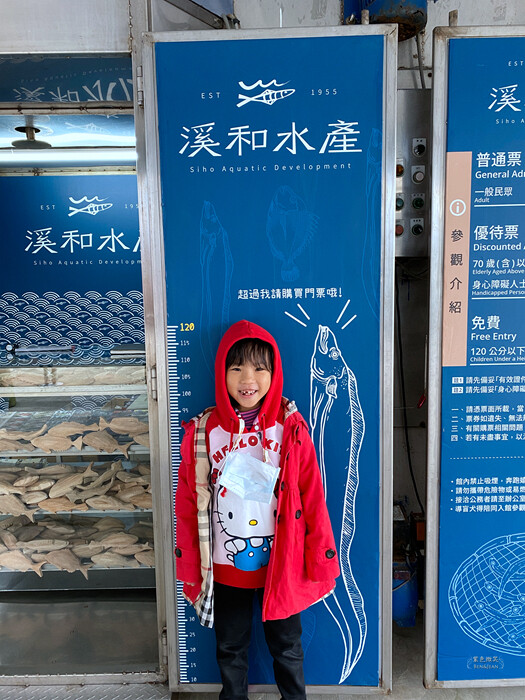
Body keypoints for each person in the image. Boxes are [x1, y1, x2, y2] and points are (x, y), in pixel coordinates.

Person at [175, 319, 339, 700]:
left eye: (259, 368)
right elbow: (188, 504)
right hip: (225, 568)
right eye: (236, 368)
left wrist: (320, 558)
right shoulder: (205, 432)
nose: (248, 379)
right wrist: (189, 568)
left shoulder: (289, 428)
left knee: (287, 647)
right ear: (222, 373)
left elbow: (312, 496)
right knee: (230, 649)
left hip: (281, 566)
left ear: (273, 373)